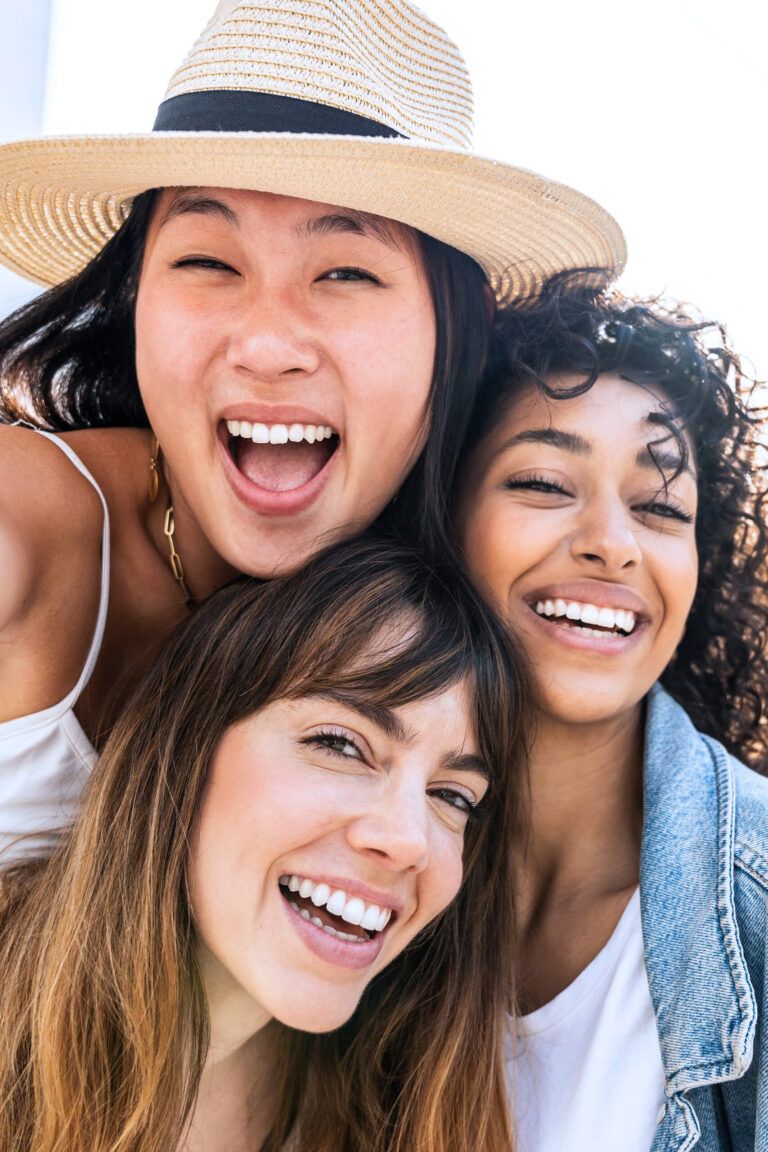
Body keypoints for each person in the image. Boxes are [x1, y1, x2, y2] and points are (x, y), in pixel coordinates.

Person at [0, 0, 624, 858]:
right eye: (207, 261)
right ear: (136, 290)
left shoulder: (462, 597)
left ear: (458, 326)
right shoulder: (25, 520)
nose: (265, 344)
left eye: (345, 272)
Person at [0, 532, 528, 1152]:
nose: (408, 839)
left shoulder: (402, 1110)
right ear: (184, 747)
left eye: (453, 797)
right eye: (339, 744)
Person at [454, 277, 768, 1151]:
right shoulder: (350, 863)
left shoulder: (759, 907)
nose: (613, 542)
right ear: (441, 517)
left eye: (662, 506)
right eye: (548, 483)